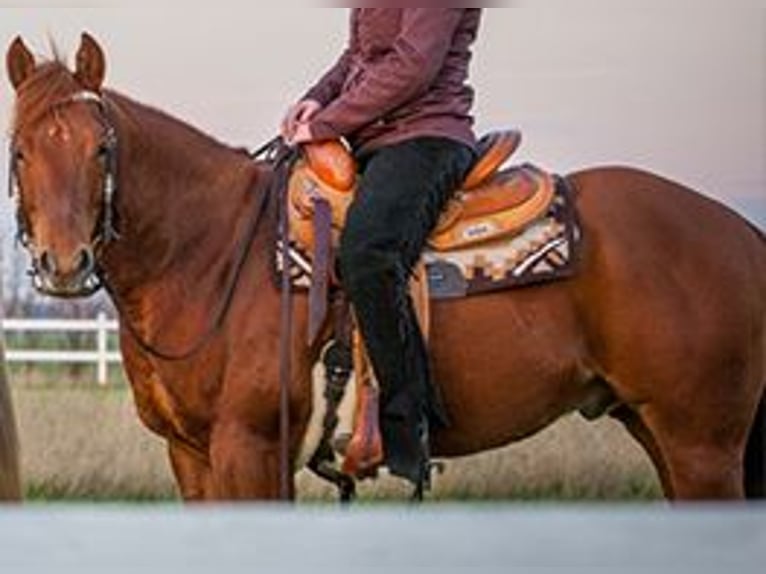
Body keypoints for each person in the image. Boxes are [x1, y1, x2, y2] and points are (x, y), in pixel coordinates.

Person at [282, 8, 482, 487]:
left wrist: (328, 123)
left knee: (368, 255)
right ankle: (328, 405)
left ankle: (410, 421)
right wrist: (314, 100)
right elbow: (357, 57)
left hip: (426, 137)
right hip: (374, 141)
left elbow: (415, 64)